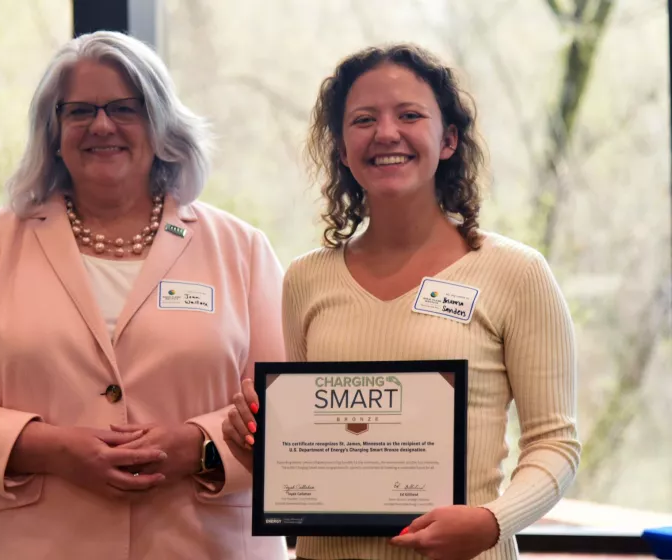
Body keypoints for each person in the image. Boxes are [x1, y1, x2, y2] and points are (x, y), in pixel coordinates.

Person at [0, 31, 289, 560]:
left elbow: (289, 413)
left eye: (125, 108)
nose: (102, 125)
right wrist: (49, 448)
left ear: (161, 123)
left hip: (202, 544)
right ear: (54, 132)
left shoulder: (241, 249)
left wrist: (199, 445)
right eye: (79, 111)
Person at [223, 43, 581, 560]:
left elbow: (556, 444)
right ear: (343, 149)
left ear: (449, 139)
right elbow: (305, 453)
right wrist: (259, 441)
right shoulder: (305, 278)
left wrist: (491, 522)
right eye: (363, 119)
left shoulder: (516, 272)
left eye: (409, 115)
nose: (386, 133)